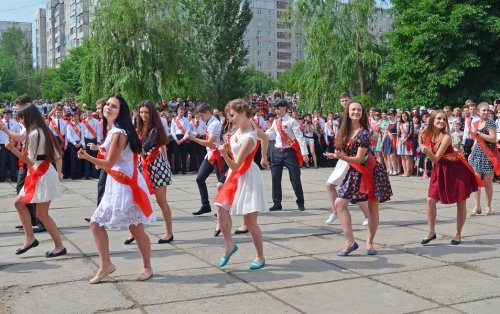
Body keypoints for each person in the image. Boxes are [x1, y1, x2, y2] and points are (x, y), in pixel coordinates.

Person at [77, 95, 155, 284]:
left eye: (114, 106)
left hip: (126, 184)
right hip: (116, 182)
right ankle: (106, 265)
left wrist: (88, 157)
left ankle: (147, 266)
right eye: (107, 105)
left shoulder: (119, 132)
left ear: (121, 112)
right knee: (96, 223)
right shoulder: (113, 130)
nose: (108, 108)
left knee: (136, 228)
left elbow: (110, 162)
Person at [213, 99, 269, 269]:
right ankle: (229, 245)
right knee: (220, 207)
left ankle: (260, 256)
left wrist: (223, 153)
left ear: (243, 113)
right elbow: (265, 137)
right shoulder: (248, 124)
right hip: (235, 176)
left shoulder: (249, 139)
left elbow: (236, 165)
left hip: (247, 177)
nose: (230, 120)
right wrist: (264, 156)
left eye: (232, 115)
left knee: (249, 222)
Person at [5, 104, 66, 257]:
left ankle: (58, 246)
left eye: (22, 117)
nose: (21, 120)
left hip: (41, 172)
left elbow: (30, 161)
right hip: (39, 172)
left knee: (41, 214)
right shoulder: (39, 130)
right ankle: (30, 238)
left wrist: (13, 149)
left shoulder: (35, 133)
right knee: (21, 204)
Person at [331, 101, 392, 256]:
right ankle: (350, 241)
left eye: (359, 110)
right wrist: (336, 156)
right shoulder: (345, 131)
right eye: (353, 109)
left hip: (369, 171)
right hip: (354, 171)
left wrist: (342, 157)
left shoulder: (364, 133)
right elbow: (349, 156)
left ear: (362, 113)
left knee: (373, 208)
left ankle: (370, 242)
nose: (356, 112)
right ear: (347, 112)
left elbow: (358, 159)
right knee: (339, 204)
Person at [419, 111, 483, 245]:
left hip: (455, 171)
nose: (442, 121)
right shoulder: (428, 135)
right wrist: (422, 144)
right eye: (438, 118)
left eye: (444, 119)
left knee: (461, 201)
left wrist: (426, 150)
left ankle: (457, 234)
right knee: (431, 200)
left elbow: (435, 158)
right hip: (440, 170)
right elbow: (430, 153)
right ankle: (431, 231)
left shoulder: (446, 137)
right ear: (432, 120)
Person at [133, 100, 173, 244]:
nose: (144, 115)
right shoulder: (138, 127)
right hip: (141, 165)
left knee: (161, 201)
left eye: (147, 112)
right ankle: (135, 231)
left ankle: (169, 233)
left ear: (152, 113)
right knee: (137, 200)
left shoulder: (155, 129)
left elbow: (145, 146)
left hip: (156, 166)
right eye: (141, 112)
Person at [265, 99, 309, 211]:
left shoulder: (292, 121)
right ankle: (277, 203)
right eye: (275, 109)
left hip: (290, 152)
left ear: (285, 108)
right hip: (277, 151)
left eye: (278, 108)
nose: (276, 111)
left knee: (295, 178)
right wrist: (256, 134)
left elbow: (300, 137)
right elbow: (269, 133)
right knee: (275, 178)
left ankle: (300, 202)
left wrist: (304, 153)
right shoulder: (275, 122)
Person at [468, 102, 499, 216]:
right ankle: (477, 206)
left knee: (487, 183)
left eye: (487, 110)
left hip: (488, 155)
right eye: (484, 110)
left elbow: (493, 138)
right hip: (477, 153)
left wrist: (479, 133)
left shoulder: (490, 123)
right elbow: (476, 139)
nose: (486, 112)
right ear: (478, 111)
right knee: (476, 182)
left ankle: (488, 206)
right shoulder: (476, 123)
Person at [0, 109, 21, 182]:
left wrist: (18, 144)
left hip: (13, 145)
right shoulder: (0, 123)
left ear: (11, 115)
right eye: (6, 114)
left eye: (9, 114)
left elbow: (18, 134)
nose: (7, 115)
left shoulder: (15, 123)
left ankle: (14, 177)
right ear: (3, 114)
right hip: (2, 145)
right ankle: (1, 177)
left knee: (13, 161)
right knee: (2, 161)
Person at [81, 108, 102, 179]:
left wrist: (98, 142)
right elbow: (82, 134)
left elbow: (99, 132)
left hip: (94, 141)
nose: (89, 114)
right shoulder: (83, 122)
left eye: (90, 113)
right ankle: (87, 174)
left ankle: (94, 174)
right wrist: (83, 143)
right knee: (87, 158)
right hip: (86, 140)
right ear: (86, 113)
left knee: (94, 158)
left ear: (92, 113)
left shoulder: (96, 122)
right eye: (88, 113)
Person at [170, 106, 191, 174]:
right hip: (176, 137)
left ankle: (183, 170)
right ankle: (176, 170)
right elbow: (172, 131)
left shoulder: (186, 120)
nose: (181, 113)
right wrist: (176, 139)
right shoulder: (174, 120)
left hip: (183, 137)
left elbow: (188, 131)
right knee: (176, 155)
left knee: (184, 155)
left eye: (183, 112)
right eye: (180, 112)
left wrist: (182, 139)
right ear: (177, 112)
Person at [65, 113, 84, 180]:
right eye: (75, 117)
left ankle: (79, 175)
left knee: (79, 160)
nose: (76, 118)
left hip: (79, 143)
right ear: (72, 118)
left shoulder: (81, 125)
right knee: (73, 160)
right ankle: (73, 175)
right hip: (72, 144)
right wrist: (75, 143)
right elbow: (69, 136)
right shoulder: (69, 126)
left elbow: (83, 136)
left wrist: (81, 143)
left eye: (77, 117)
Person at [397, 111, 414, 176]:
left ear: (407, 116)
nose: (404, 117)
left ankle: (408, 172)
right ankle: (404, 171)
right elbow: (398, 132)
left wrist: (406, 139)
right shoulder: (400, 123)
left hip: (407, 140)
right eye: (403, 116)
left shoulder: (410, 123)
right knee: (402, 156)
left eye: (405, 116)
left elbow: (411, 132)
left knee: (407, 157)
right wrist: (400, 139)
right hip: (401, 140)